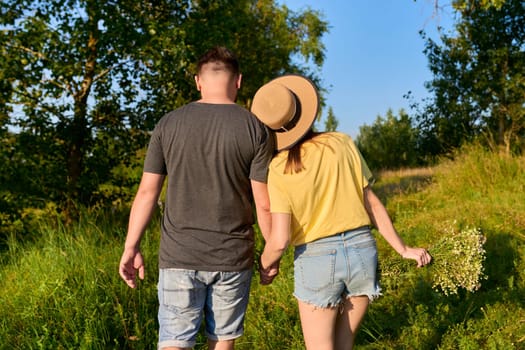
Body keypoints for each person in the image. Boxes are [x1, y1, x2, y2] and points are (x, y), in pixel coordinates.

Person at [250, 74, 432, 350]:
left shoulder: (278, 169)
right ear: (303, 110)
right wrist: (403, 248)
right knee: (344, 344)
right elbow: (371, 203)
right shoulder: (341, 142)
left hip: (317, 261)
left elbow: (280, 240)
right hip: (363, 252)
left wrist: (266, 264)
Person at [118, 46, 275, 350]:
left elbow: (147, 193)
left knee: (175, 342)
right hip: (232, 256)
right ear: (238, 81)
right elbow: (264, 201)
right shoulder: (256, 128)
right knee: (222, 341)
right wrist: (271, 252)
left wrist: (131, 245)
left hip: (179, 256)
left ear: (197, 81)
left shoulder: (168, 123)